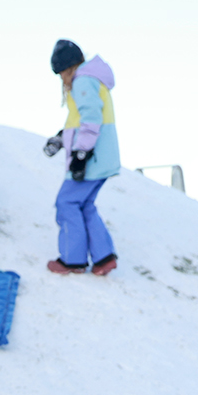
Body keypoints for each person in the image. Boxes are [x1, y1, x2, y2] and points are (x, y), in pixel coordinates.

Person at [43, 39, 120, 276]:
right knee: (84, 204)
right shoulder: (91, 80)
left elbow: (91, 118)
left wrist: (81, 154)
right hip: (102, 157)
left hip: (92, 159)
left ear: (70, 68)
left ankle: (72, 259)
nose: (63, 81)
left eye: (62, 74)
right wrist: (60, 138)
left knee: (67, 203)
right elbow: (79, 120)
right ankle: (103, 257)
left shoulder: (83, 80)